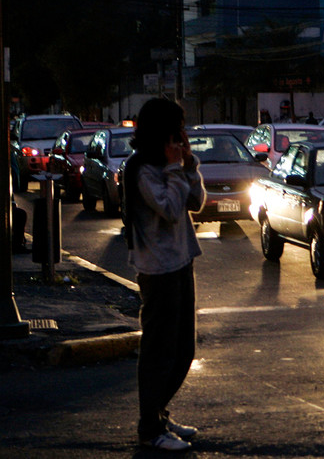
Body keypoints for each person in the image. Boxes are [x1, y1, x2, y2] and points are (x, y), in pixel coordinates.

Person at [124, 98, 205, 452]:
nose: (180, 137)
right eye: (174, 131)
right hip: (157, 269)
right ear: (160, 132)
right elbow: (171, 209)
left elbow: (196, 201)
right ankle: (149, 428)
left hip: (182, 262)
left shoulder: (169, 163)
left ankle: (159, 413)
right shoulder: (141, 169)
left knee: (184, 349)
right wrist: (174, 169)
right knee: (159, 351)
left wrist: (188, 164)